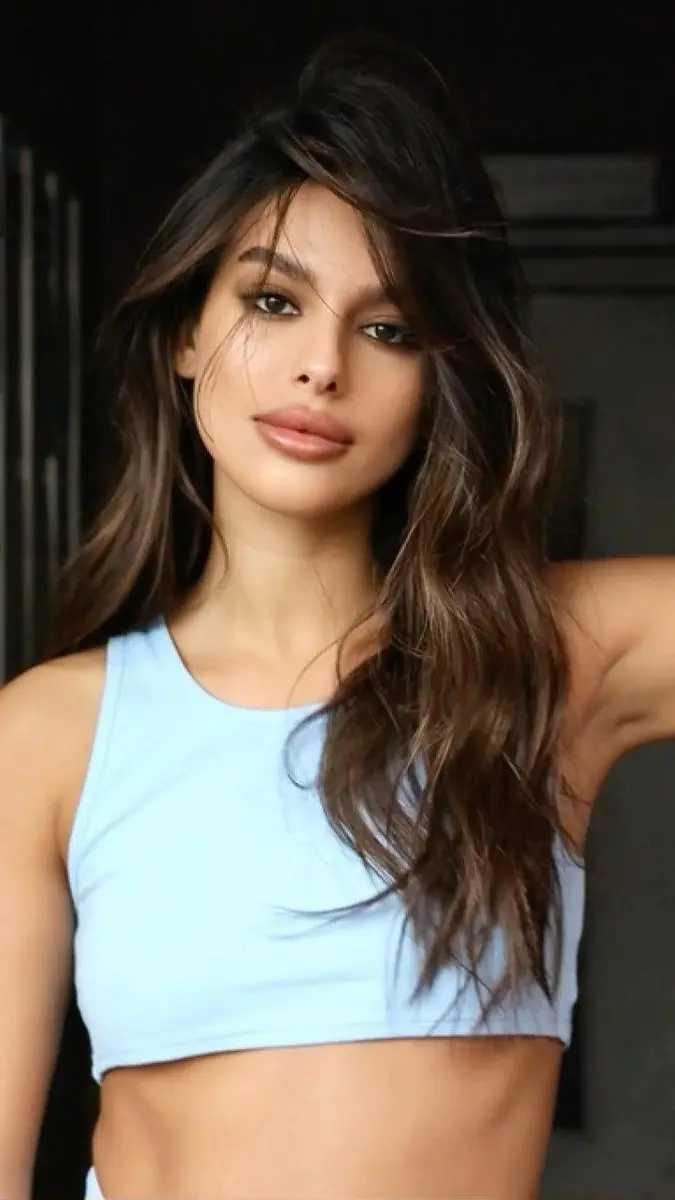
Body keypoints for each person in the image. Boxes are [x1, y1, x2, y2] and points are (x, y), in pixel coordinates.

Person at [0, 31, 673, 1200]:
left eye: (388, 327)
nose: (322, 366)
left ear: (437, 380)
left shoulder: (545, 660)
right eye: (273, 300)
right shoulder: (51, 735)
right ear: (187, 335)